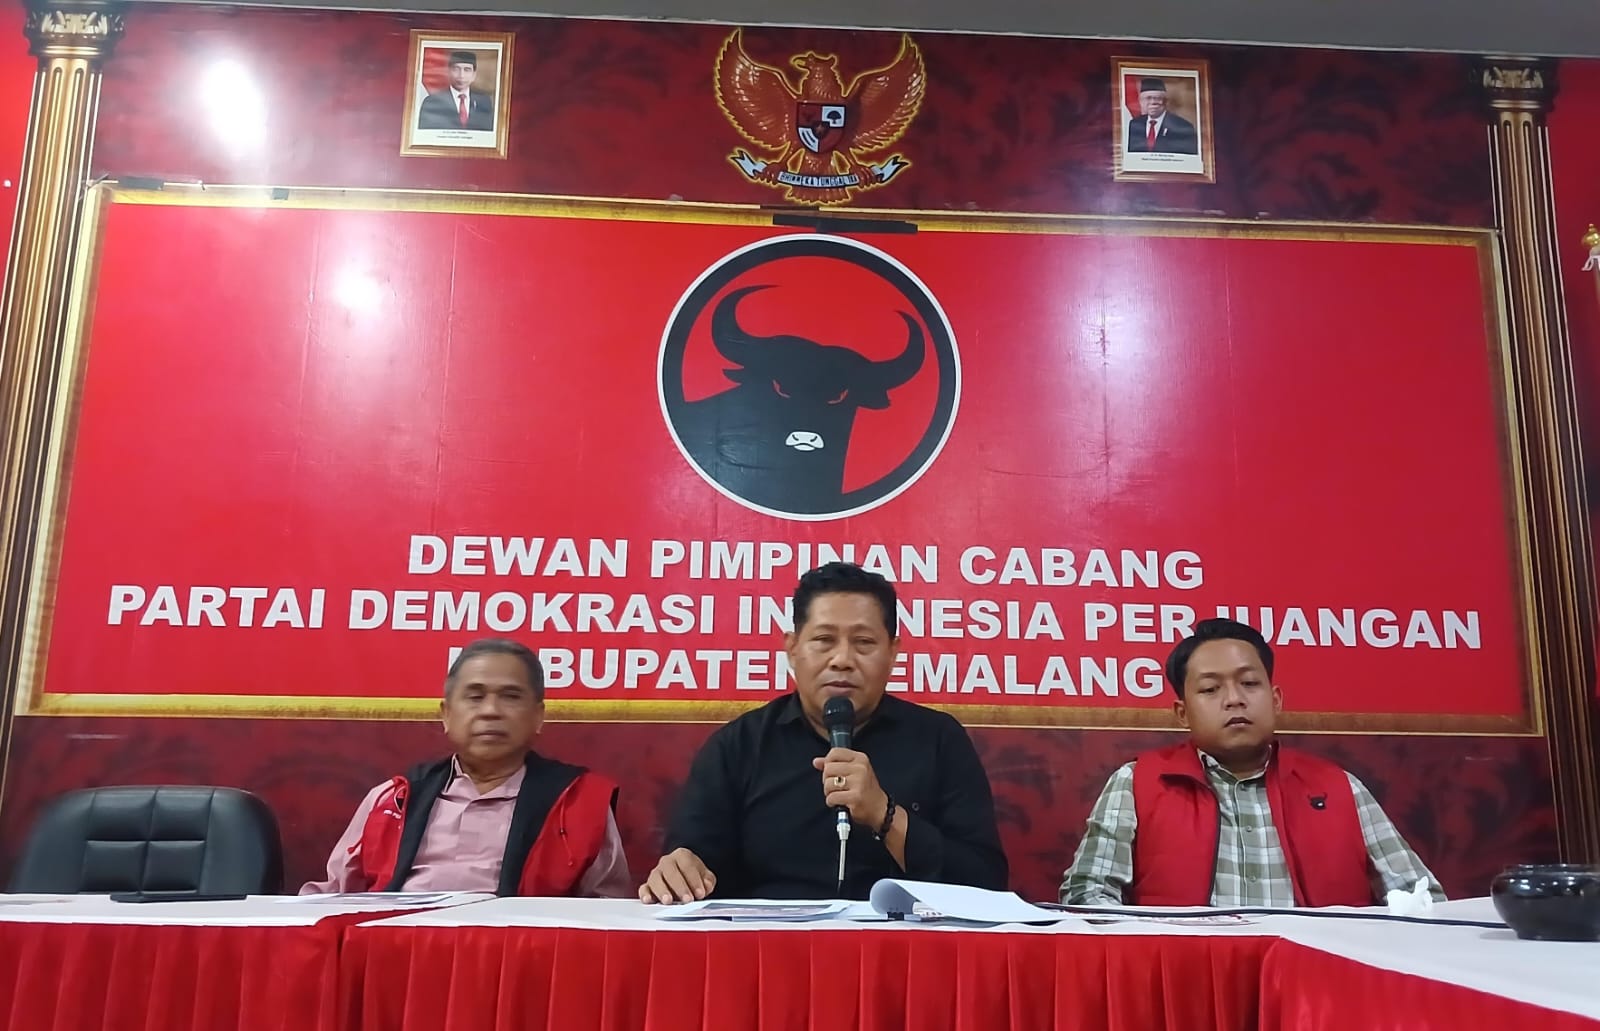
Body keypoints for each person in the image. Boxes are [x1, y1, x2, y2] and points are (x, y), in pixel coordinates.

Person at [640, 562, 1008, 903]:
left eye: (864, 643)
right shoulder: (738, 747)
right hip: (770, 946)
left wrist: (883, 814)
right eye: (824, 640)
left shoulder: (939, 741)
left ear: (893, 653)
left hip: (903, 946)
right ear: (792, 648)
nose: (842, 659)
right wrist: (680, 871)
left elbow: (986, 884)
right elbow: (692, 866)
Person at [1061, 618, 1445, 908]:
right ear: (1182, 713)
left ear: (1275, 700)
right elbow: (1087, 895)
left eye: (1249, 683)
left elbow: (1423, 900)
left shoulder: (1339, 787)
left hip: (1316, 983)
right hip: (1184, 980)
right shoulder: (1137, 783)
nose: (1234, 699)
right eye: (1211, 689)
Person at [301, 638, 630, 896]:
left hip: (520, 955)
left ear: (538, 717)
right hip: (396, 951)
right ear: (446, 715)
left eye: (511, 696)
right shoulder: (392, 799)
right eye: (475, 697)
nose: (490, 711)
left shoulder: (579, 802)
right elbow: (332, 899)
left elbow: (608, 915)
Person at [417, 50, 495, 131]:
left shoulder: (484, 101)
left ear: (474, 75)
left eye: (467, 70)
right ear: (448, 72)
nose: (461, 75)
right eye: (456, 69)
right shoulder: (432, 102)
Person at [1126, 77, 1198, 154]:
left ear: (1166, 101)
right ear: (1141, 101)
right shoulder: (1134, 125)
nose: (1153, 102)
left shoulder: (1183, 127)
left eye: (1158, 98)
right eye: (1148, 98)